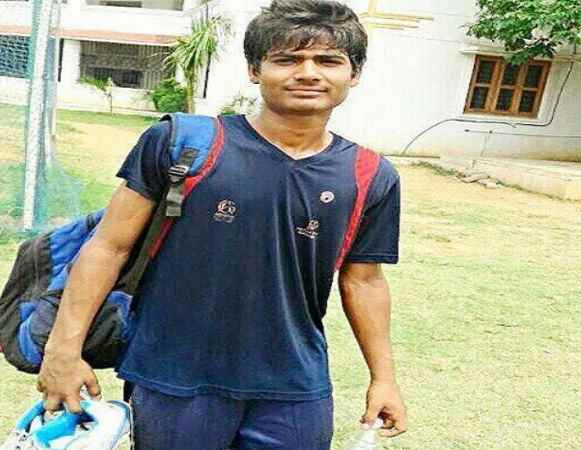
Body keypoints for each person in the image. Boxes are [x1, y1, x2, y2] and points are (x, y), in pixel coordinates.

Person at [36, 0, 407, 448]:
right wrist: (63, 349)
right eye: (287, 59)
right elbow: (107, 247)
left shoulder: (369, 175)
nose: (308, 73)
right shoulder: (181, 143)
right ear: (254, 69)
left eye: (328, 61)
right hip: (174, 376)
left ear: (354, 73)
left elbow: (364, 281)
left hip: (294, 383)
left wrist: (383, 378)